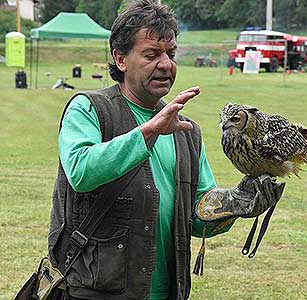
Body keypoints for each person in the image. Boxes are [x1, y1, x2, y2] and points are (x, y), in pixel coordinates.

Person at [47, 1, 284, 300]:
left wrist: (236, 202)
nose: (165, 64)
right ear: (120, 59)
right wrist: (149, 131)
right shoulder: (89, 109)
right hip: (93, 292)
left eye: (170, 54)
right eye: (151, 54)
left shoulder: (187, 131)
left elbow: (199, 214)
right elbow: (81, 171)